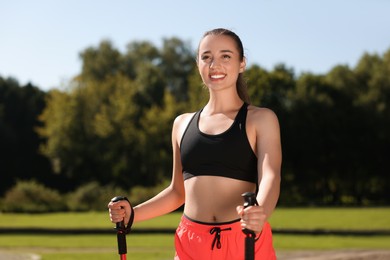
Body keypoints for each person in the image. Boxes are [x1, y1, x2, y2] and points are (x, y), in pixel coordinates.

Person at [108, 28, 282, 260]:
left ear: (242, 63)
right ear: (198, 63)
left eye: (226, 56)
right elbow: (177, 192)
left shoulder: (261, 119)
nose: (215, 64)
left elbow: (271, 176)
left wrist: (261, 213)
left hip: (244, 238)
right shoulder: (181, 124)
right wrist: (132, 214)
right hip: (191, 241)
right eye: (206, 57)